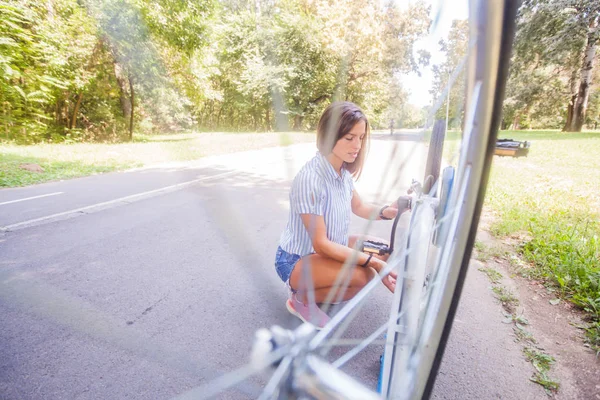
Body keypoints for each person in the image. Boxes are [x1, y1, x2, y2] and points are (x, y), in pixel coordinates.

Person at [274, 101, 400, 329]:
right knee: (363, 276)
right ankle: (300, 299)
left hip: (330, 248)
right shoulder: (311, 179)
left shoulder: (342, 172)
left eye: (361, 138)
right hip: (297, 259)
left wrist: (386, 212)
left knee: (382, 251)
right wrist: (371, 264)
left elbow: (360, 206)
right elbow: (321, 244)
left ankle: (323, 286)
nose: (357, 146)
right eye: (349, 138)